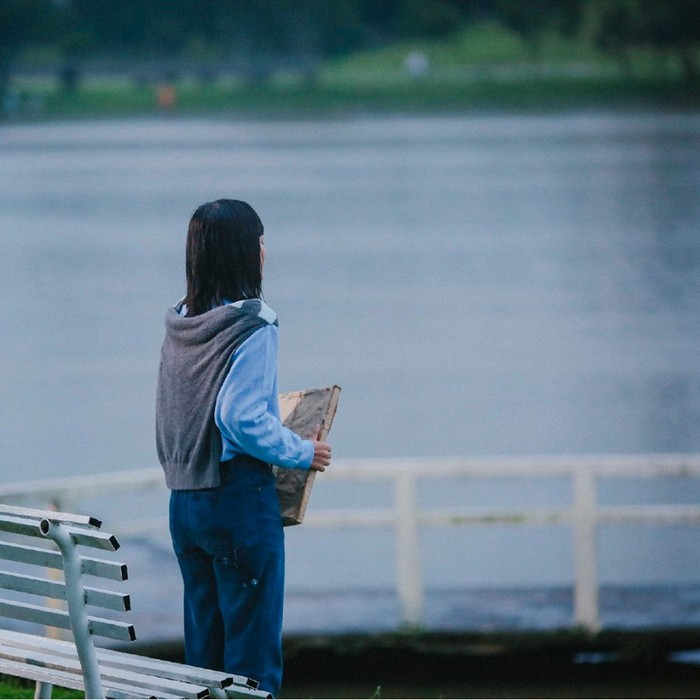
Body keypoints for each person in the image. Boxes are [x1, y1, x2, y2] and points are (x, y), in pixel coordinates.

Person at [155, 199, 331, 697]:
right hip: (236, 500)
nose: (264, 250)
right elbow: (240, 417)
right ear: (246, 253)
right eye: (260, 241)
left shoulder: (183, 319)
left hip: (185, 501)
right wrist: (302, 452)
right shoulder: (253, 323)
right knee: (252, 661)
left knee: (205, 657)